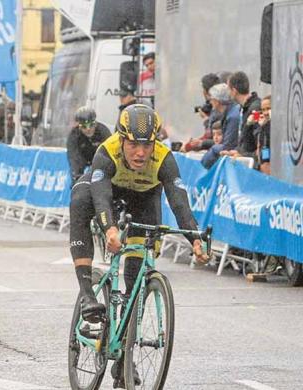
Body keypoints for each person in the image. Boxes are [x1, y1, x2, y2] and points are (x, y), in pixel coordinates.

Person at [69, 104, 208, 388]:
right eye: (133, 144)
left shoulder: (164, 158)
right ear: (122, 139)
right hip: (106, 192)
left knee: (136, 276)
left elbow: (179, 203)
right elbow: (101, 198)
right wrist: (109, 228)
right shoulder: (106, 151)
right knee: (80, 201)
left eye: (147, 144)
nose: (141, 153)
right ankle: (87, 295)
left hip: (144, 199)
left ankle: (124, 356)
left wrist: (195, 239)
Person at [66, 106, 111, 184]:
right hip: (83, 157)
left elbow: (111, 155)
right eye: (84, 126)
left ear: (95, 123)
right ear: (79, 127)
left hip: (100, 157)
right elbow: (74, 158)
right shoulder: (74, 136)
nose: (88, 129)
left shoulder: (103, 132)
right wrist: (77, 180)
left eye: (91, 125)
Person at [201, 83, 240, 169]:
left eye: (211, 99)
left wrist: (214, 149)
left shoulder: (232, 117)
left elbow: (227, 146)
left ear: (217, 101)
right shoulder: (228, 114)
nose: (210, 102)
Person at [224, 71, 262, 157]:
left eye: (228, 90)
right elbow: (245, 141)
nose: (228, 93)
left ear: (234, 91)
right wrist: (236, 152)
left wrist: (244, 155)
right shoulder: (243, 108)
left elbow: (259, 144)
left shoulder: (255, 109)